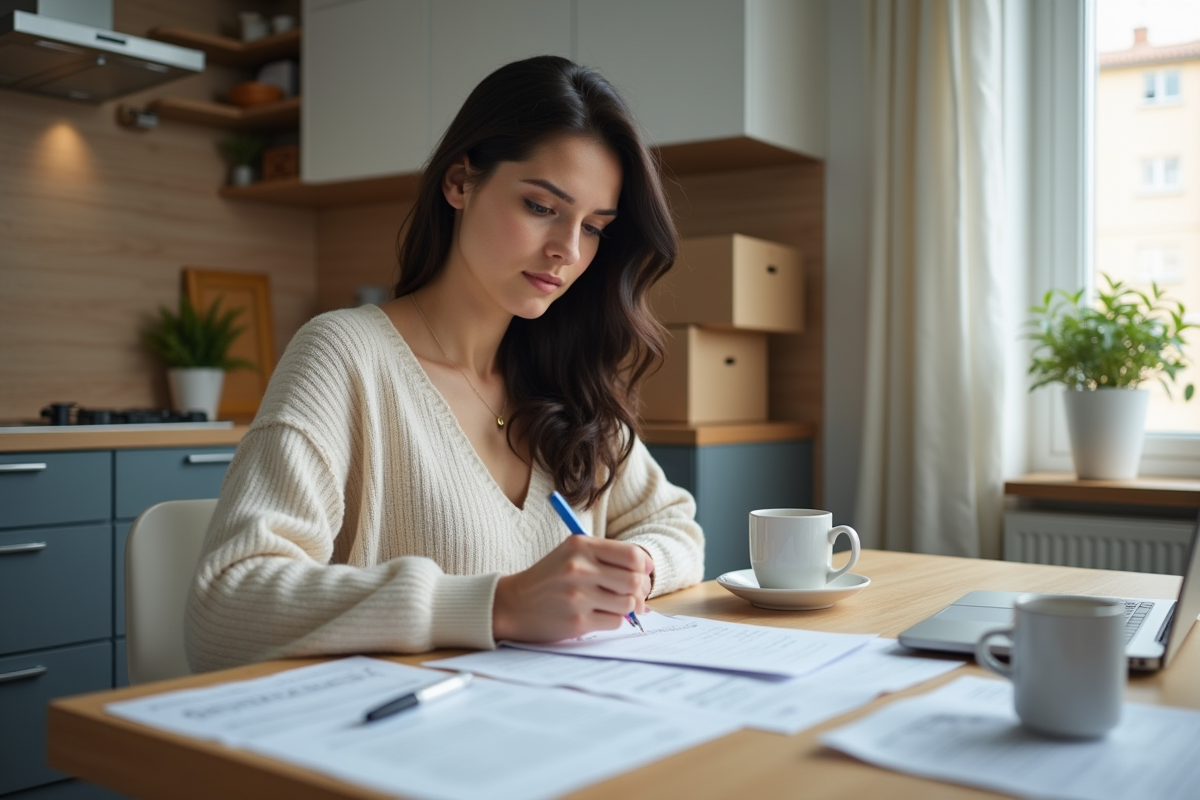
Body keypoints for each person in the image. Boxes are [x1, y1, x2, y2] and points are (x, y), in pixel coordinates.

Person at [185, 55, 705, 672]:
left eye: (593, 227)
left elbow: (676, 527)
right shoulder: (344, 357)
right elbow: (224, 604)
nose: (567, 249)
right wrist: (497, 605)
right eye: (542, 207)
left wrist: (633, 570)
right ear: (460, 182)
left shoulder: (568, 381)